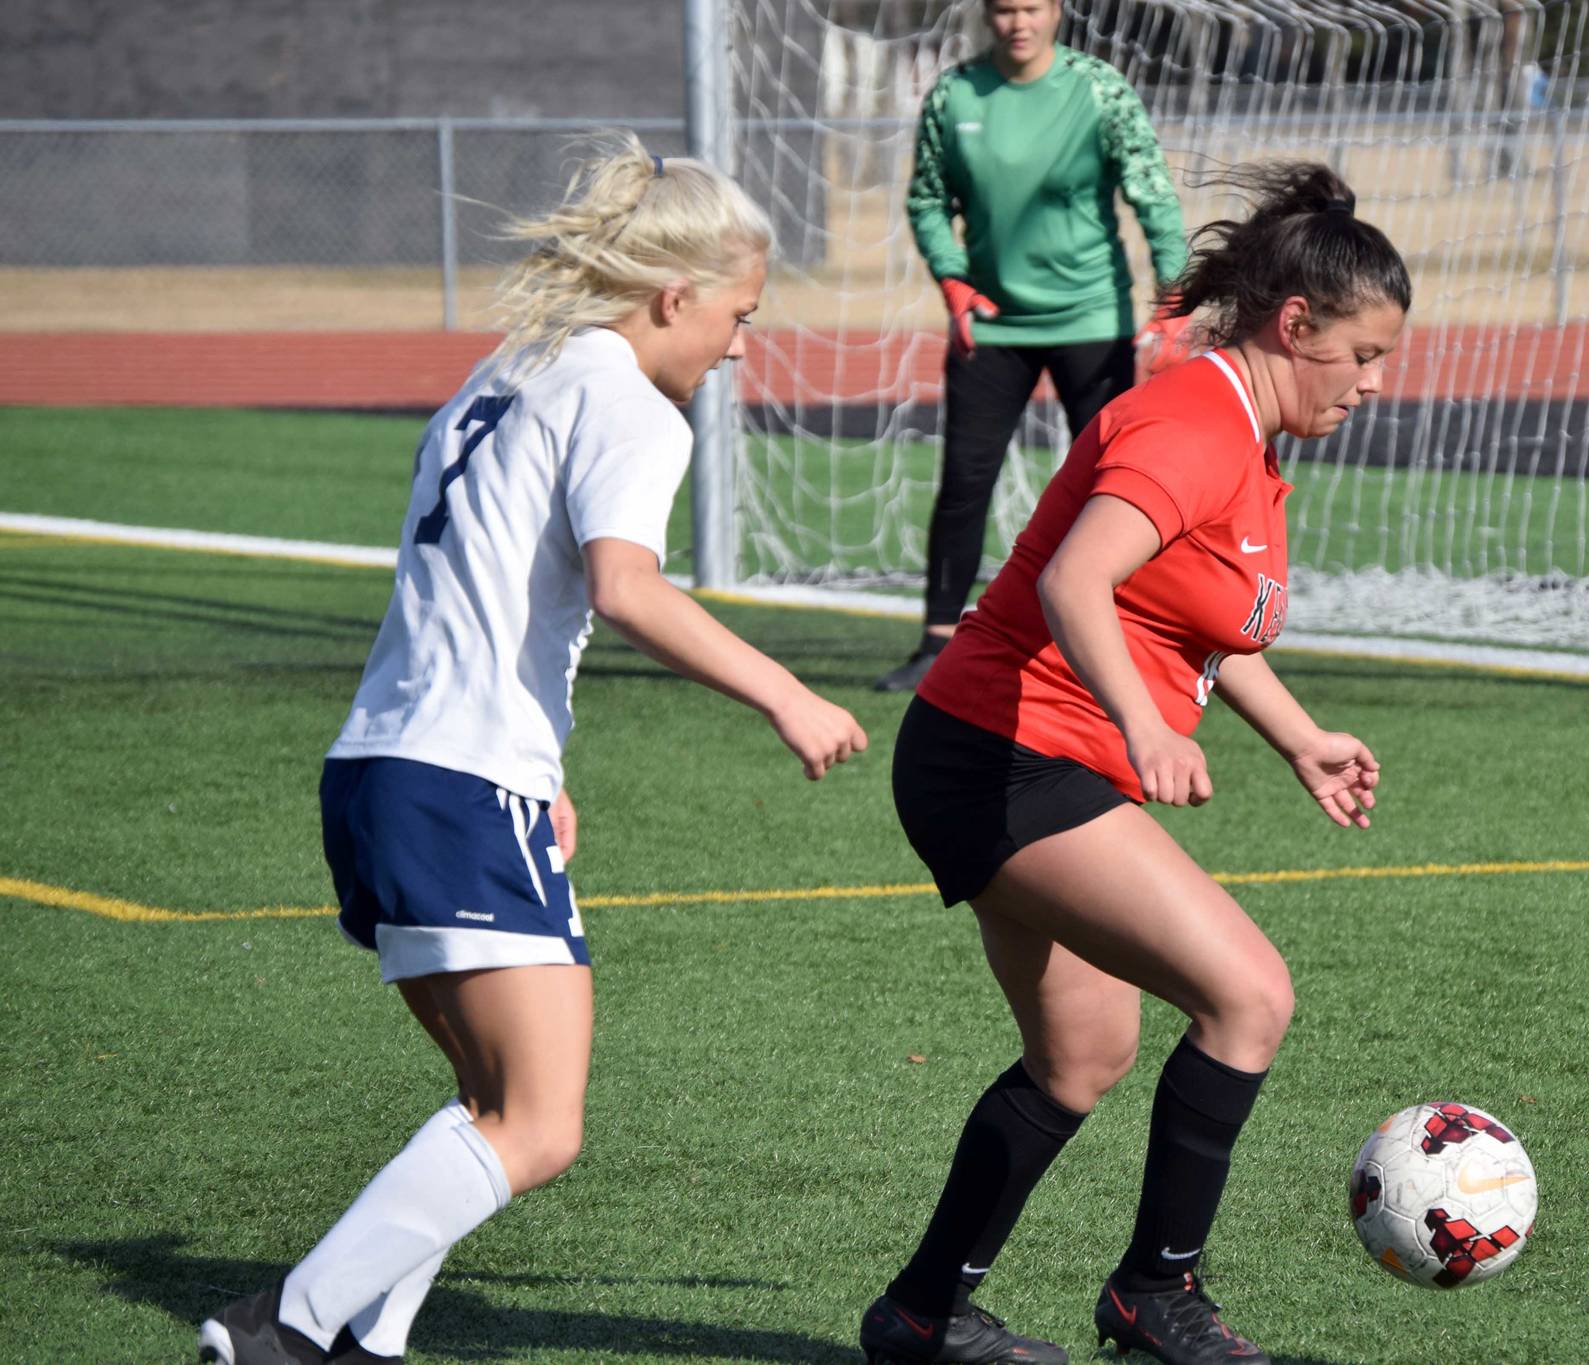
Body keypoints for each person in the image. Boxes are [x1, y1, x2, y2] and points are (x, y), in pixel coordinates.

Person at [197, 131, 867, 1365]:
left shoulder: (512, 368)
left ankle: (362, 1345)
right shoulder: (628, 401)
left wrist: (543, 771)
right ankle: (280, 1328)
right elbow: (623, 587)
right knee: (540, 1125)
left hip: (382, 770)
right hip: (457, 782)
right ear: (674, 298)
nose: (737, 344)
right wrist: (786, 693)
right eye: (738, 315)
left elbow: (488, 587)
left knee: (492, 1109)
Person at [858, 161, 1409, 1365]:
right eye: (1359, 355)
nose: (1373, 384)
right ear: (1293, 323)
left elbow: (1187, 621)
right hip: (1002, 757)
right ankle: (1155, 1293)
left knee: (1081, 1055)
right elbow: (1074, 582)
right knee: (1248, 995)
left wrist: (1299, 737)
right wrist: (1147, 727)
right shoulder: (1192, 422)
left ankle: (920, 1314)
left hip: (1018, 755)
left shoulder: (1247, 438)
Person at [874, 0, 1192, 692]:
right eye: (1004, 9)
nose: (1019, 22)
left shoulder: (1100, 90)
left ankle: (1144, 641)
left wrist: (1175, 296)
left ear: (1056, 11)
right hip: (993, 327)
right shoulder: (956, 93)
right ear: (987, 16)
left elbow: (1154, 195)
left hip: (1092, 321)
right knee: (964, 482)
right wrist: (953, 283)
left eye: (1033, 7)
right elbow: (928, 199)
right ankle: (935, 642)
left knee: (1122, 485)